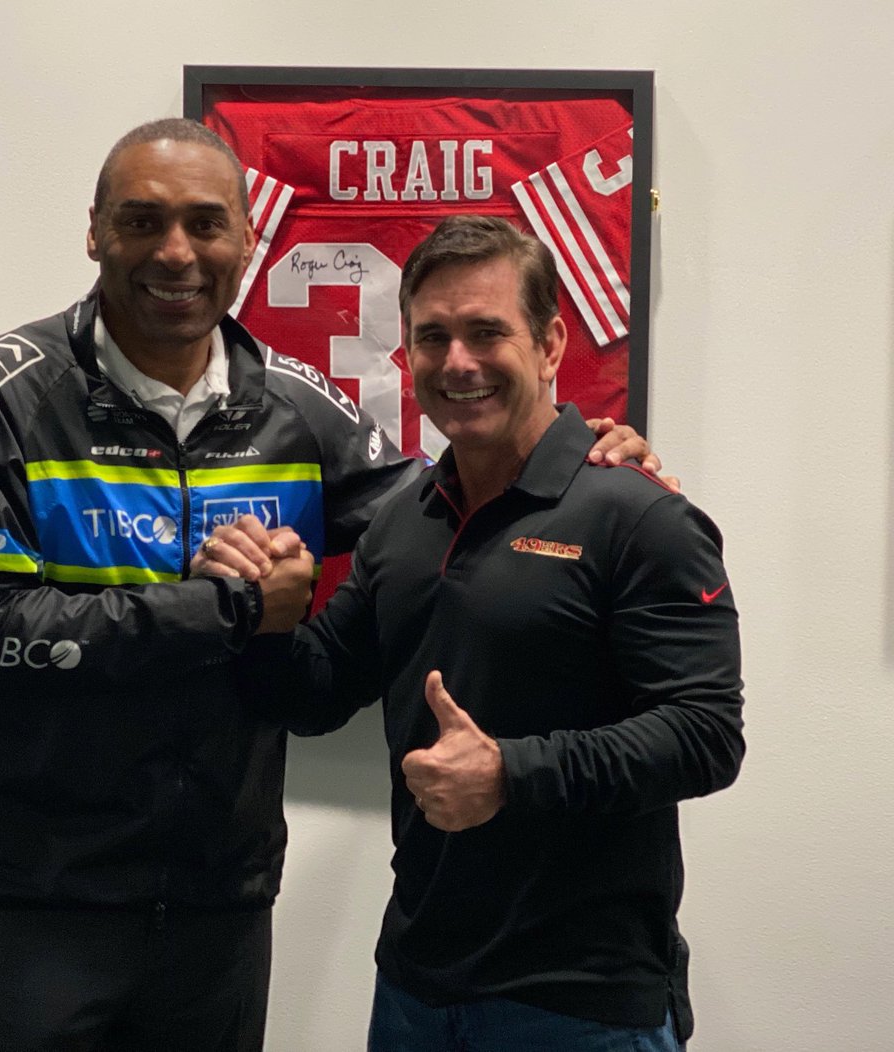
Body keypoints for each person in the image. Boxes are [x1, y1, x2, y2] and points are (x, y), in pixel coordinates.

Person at [0, 118, 665, 1051]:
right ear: (95, 231)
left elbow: (457, 506)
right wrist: (226, 609)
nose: (176, 252)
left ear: (246, 239)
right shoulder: (2, 391)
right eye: (143, 221)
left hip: (220, 899)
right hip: (32, 892)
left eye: (205, 223)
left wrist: (592, 462)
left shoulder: (296, 406)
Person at [212, 215, 744, 1051]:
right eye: (433, 337)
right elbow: (313, 696)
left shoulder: (639, 515)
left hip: (583, 1001)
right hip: (416, 985)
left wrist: (509, 774)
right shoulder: (402, 523)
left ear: (550, 344)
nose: (458, 362)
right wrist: (264, 615)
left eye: (487, 332)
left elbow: (707, 736)